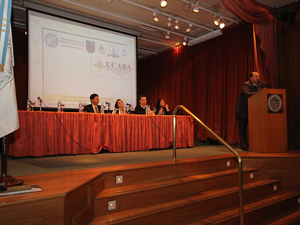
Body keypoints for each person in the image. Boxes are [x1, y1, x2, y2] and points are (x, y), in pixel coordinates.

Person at [235, 72, 265, 151]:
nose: (258, 78)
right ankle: (244, 146)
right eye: (256, 76)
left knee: (254, 129)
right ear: (251, 78)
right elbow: (246, 93)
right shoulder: (246, 84)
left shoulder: (260, 85)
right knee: (242, 129)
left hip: (253, 111)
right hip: (242, 111)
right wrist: (257, 93)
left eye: (258, 76)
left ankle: (255, 145)